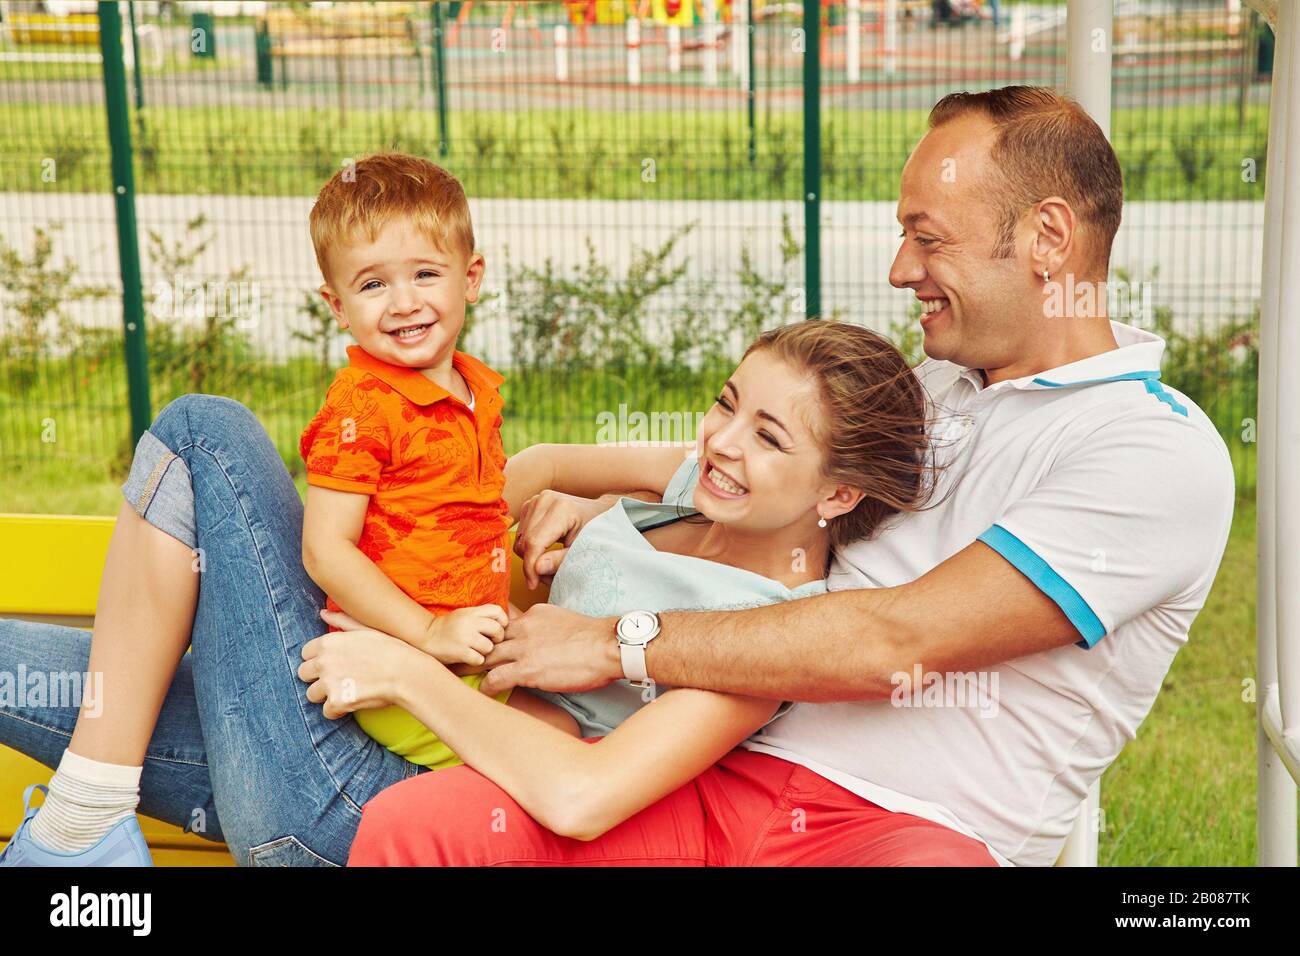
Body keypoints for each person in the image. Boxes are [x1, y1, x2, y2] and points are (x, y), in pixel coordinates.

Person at [345, 85, 1236, 867]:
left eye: (928, 239)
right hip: (718, 766)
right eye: (903, 235)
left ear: (1047, 236)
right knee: (427, 827)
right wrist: (594, 496)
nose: (901, 271)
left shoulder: (1154, 451)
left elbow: (896, 642)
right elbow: (749, 473)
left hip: (906, 829)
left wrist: (616, 639)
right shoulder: (931, 389)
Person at [297, 152, 579, 769]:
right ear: (339, 306)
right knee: (552, 754)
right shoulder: (364, 406)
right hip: (399, 661)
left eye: (426, 274)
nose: (402, 302)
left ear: (471, 278)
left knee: (584, 723)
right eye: (372, 284)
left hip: (469, 643)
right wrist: (427, 632)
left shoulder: (476, 391)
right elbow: (325, 549)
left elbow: (454, 515)